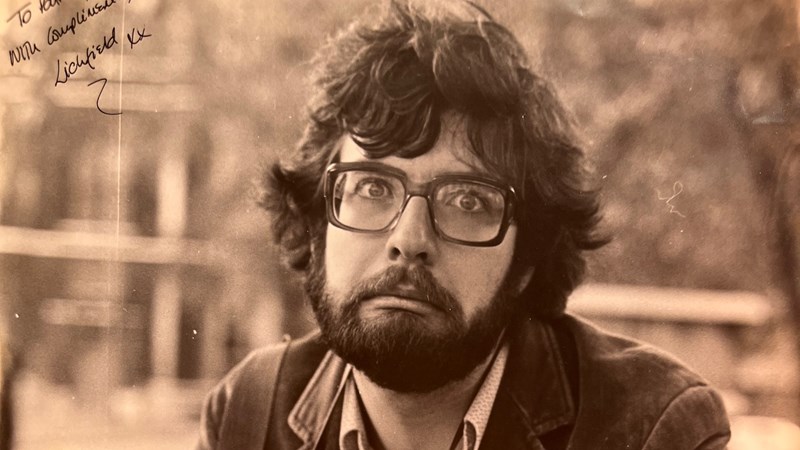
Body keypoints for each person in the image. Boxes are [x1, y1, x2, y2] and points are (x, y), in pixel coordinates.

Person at [197, 1, 731, 449]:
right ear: (318, 227)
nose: (409, 240)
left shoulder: (653, 429)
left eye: (468, 200)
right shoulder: (247, 415)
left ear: (527, 260)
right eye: (373, 188)